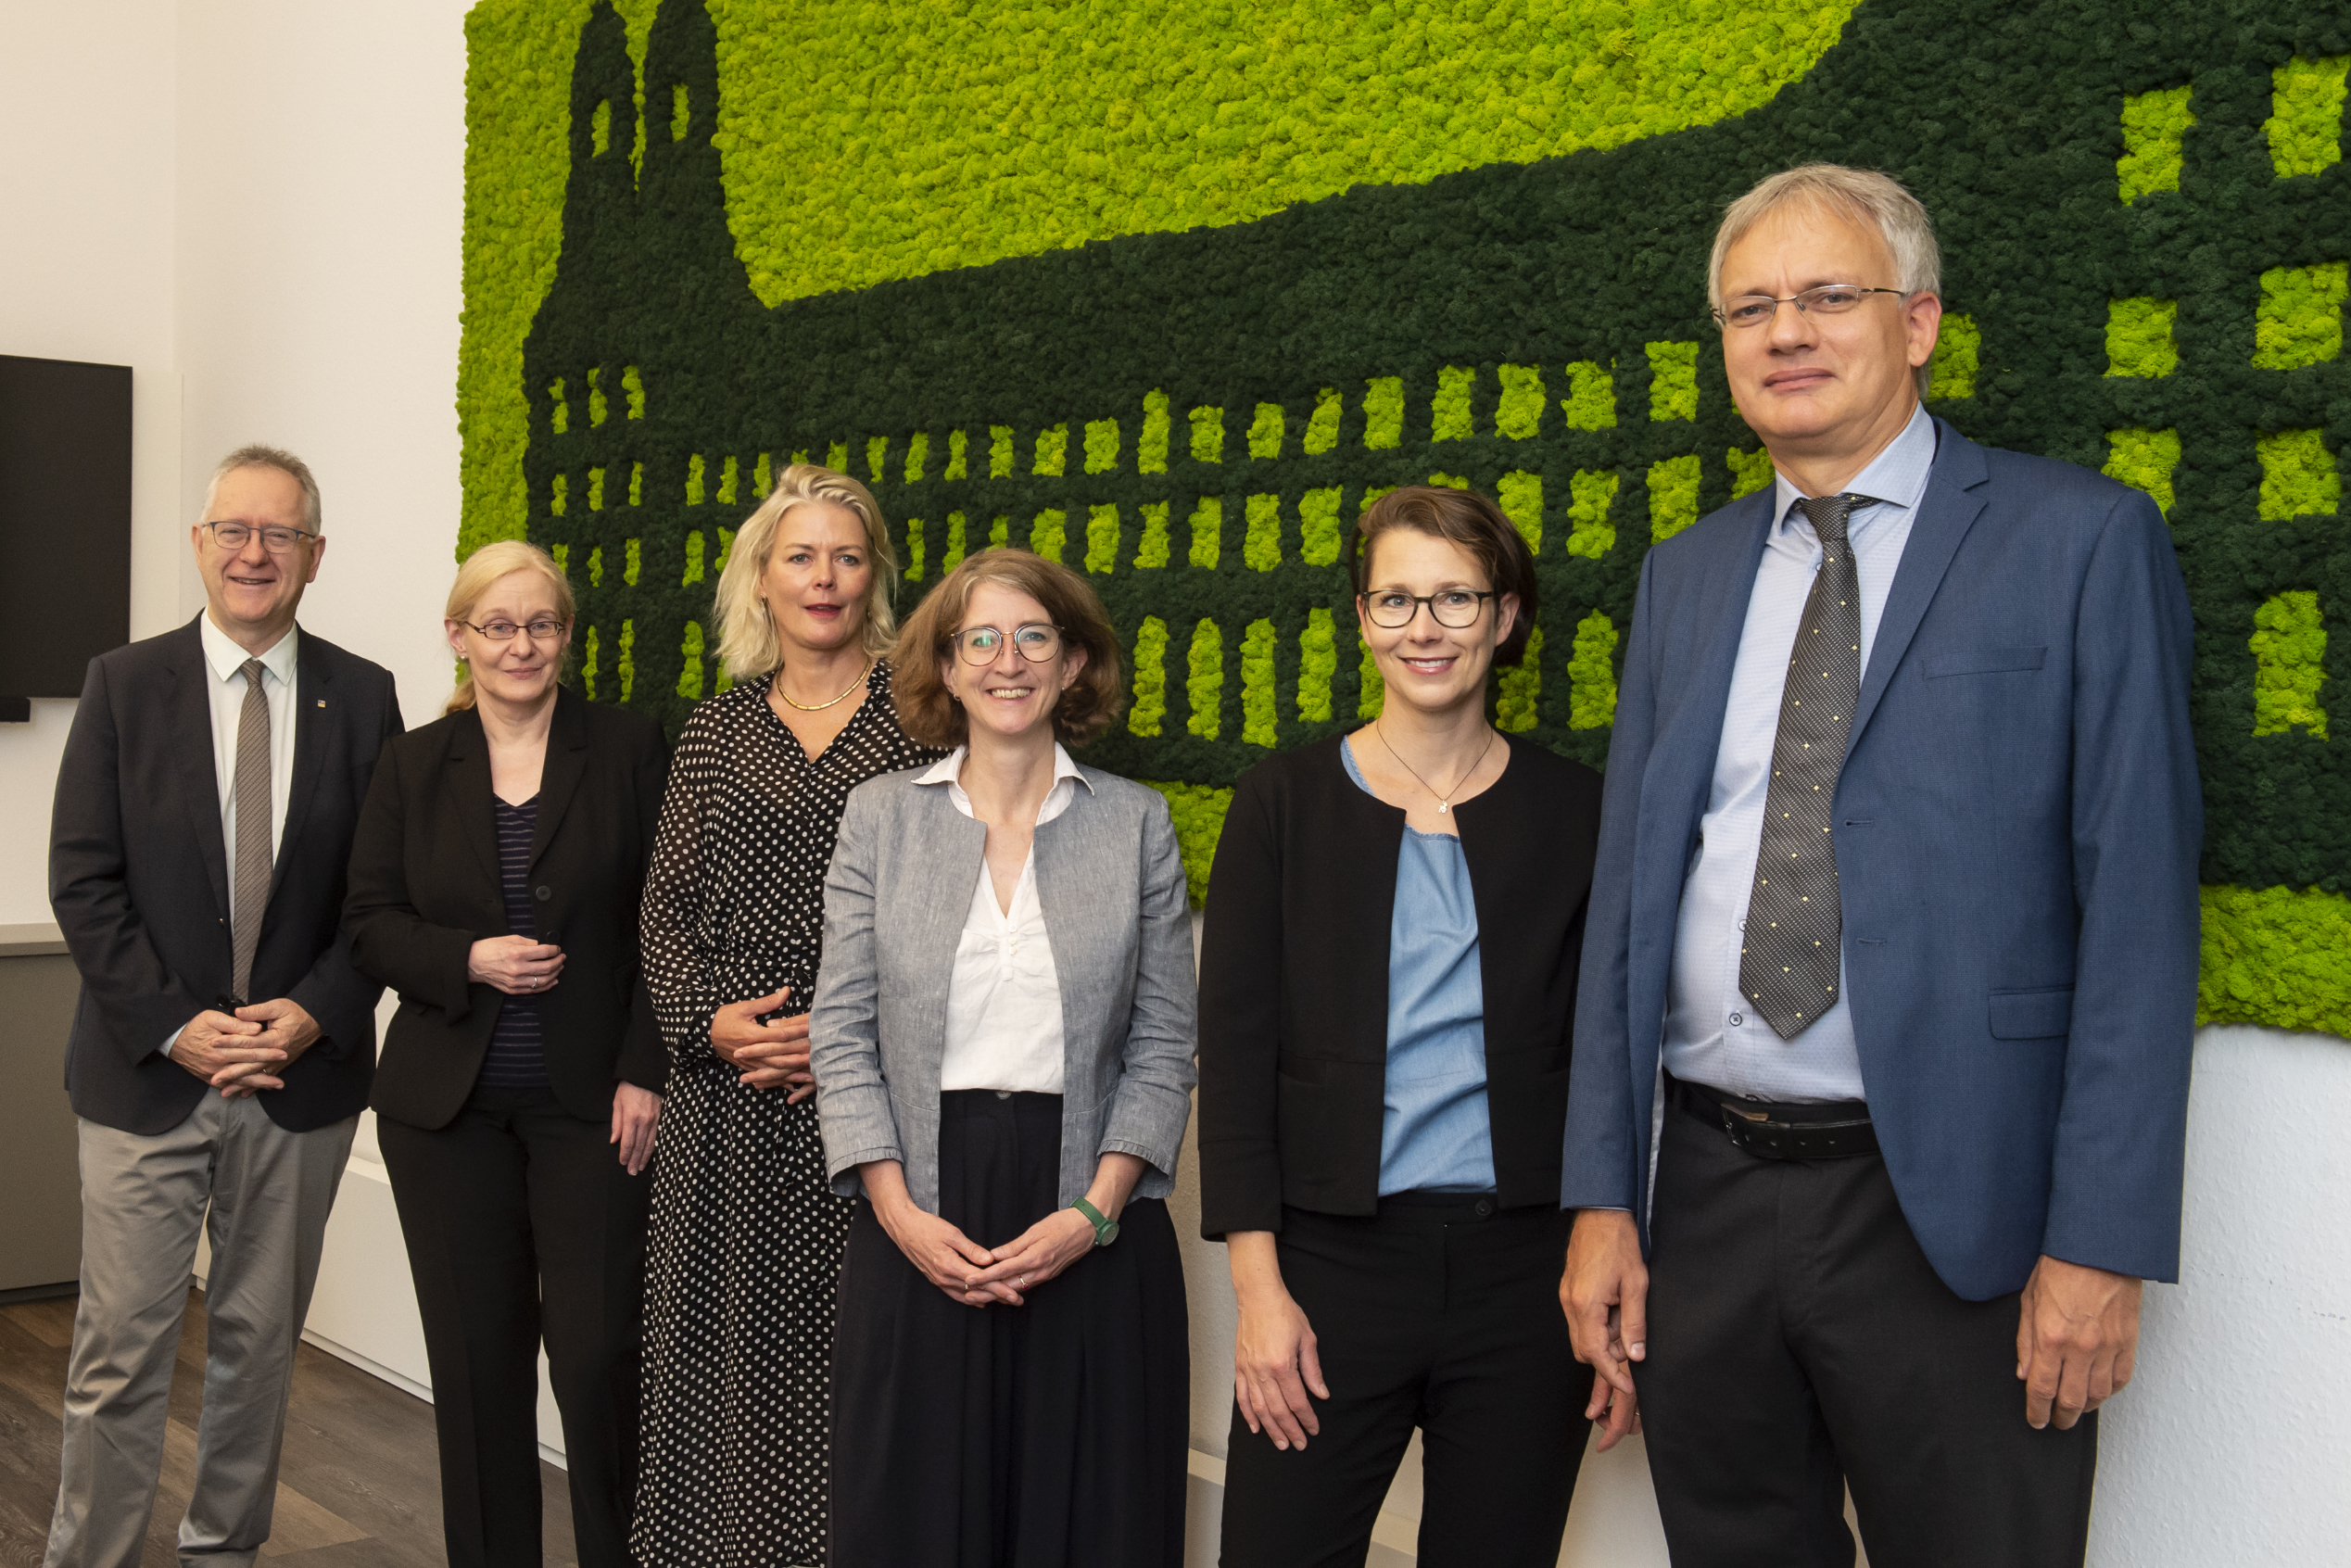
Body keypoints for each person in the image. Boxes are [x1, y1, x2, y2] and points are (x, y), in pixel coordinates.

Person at [1559, 163, 2203, 1567]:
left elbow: (2140, 917)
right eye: (1749, 308)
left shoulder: (2080, 540)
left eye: (1825, 295)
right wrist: (1603, 1200)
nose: (1784, 331)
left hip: (1956, 1217)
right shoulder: (1682, 575)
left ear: (1916, 323)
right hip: (1705, 1199)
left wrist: (2100, 1242)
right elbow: (1628, 906)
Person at [1194, 487, 1603, 1566]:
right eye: (1396, 600)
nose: (1424, 627)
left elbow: (1611, 1054)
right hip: (1329, 1271)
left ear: (1504, 617)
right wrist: (1258, 1294)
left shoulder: (1576, 811)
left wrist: (1611, 1258)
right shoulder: (1279, 801)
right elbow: (1232, 1063)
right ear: (1362, 618)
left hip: (1525, 1277)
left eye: (1455, 598)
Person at [44, 445, 404, 1568]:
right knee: (118, 1355)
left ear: (314, 555)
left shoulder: (365, 696)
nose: (255, 553)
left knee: (259, 1353)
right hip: (146, 1077)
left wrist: (312, 1013)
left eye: (279, 534)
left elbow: (383, 895)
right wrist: (177, 1026)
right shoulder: (122, 684)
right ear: (199, 544)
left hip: (299, 1080)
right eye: (234, 531)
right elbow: (83, 880)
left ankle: (222, 1555)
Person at [811, 547, 1196, 1568]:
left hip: (1091, 1210)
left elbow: (1164, 1043)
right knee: (913, 1517)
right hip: (917, 1208)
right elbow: (839, 1031)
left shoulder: (1136, 823)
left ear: (1074, 663)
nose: (1006, 660)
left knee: (1088, 1521)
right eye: (978, 638)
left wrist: (1093, 1213)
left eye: (1033, 636)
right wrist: (897, 1212)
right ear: (945, 666)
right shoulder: (880, 818)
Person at [632, 463, 939, 1568]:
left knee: (856, 1356)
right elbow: (663, 908)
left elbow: (956, 908)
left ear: (875, 578)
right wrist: (709, 1023)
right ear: (759, 579)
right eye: (800, 556)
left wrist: (851, 1040)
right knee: (721, 1353)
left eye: (847, 557)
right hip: (722, 1106)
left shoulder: (925, 721)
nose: (824, 577)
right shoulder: (714, 731)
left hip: (870, 1100)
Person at [343, 539, 667, 1567]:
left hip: (594, 1109)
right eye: (497, 625)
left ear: (566, 635)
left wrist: (646, 1070)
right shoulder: (411, 764)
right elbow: (367, 924)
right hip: (446, 1117)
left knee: (599, 1360)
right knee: (478, 1373)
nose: (520, 645)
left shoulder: (629, 747)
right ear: (459, 637)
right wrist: (466, 957)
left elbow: (668, 923)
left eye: (540, 624)